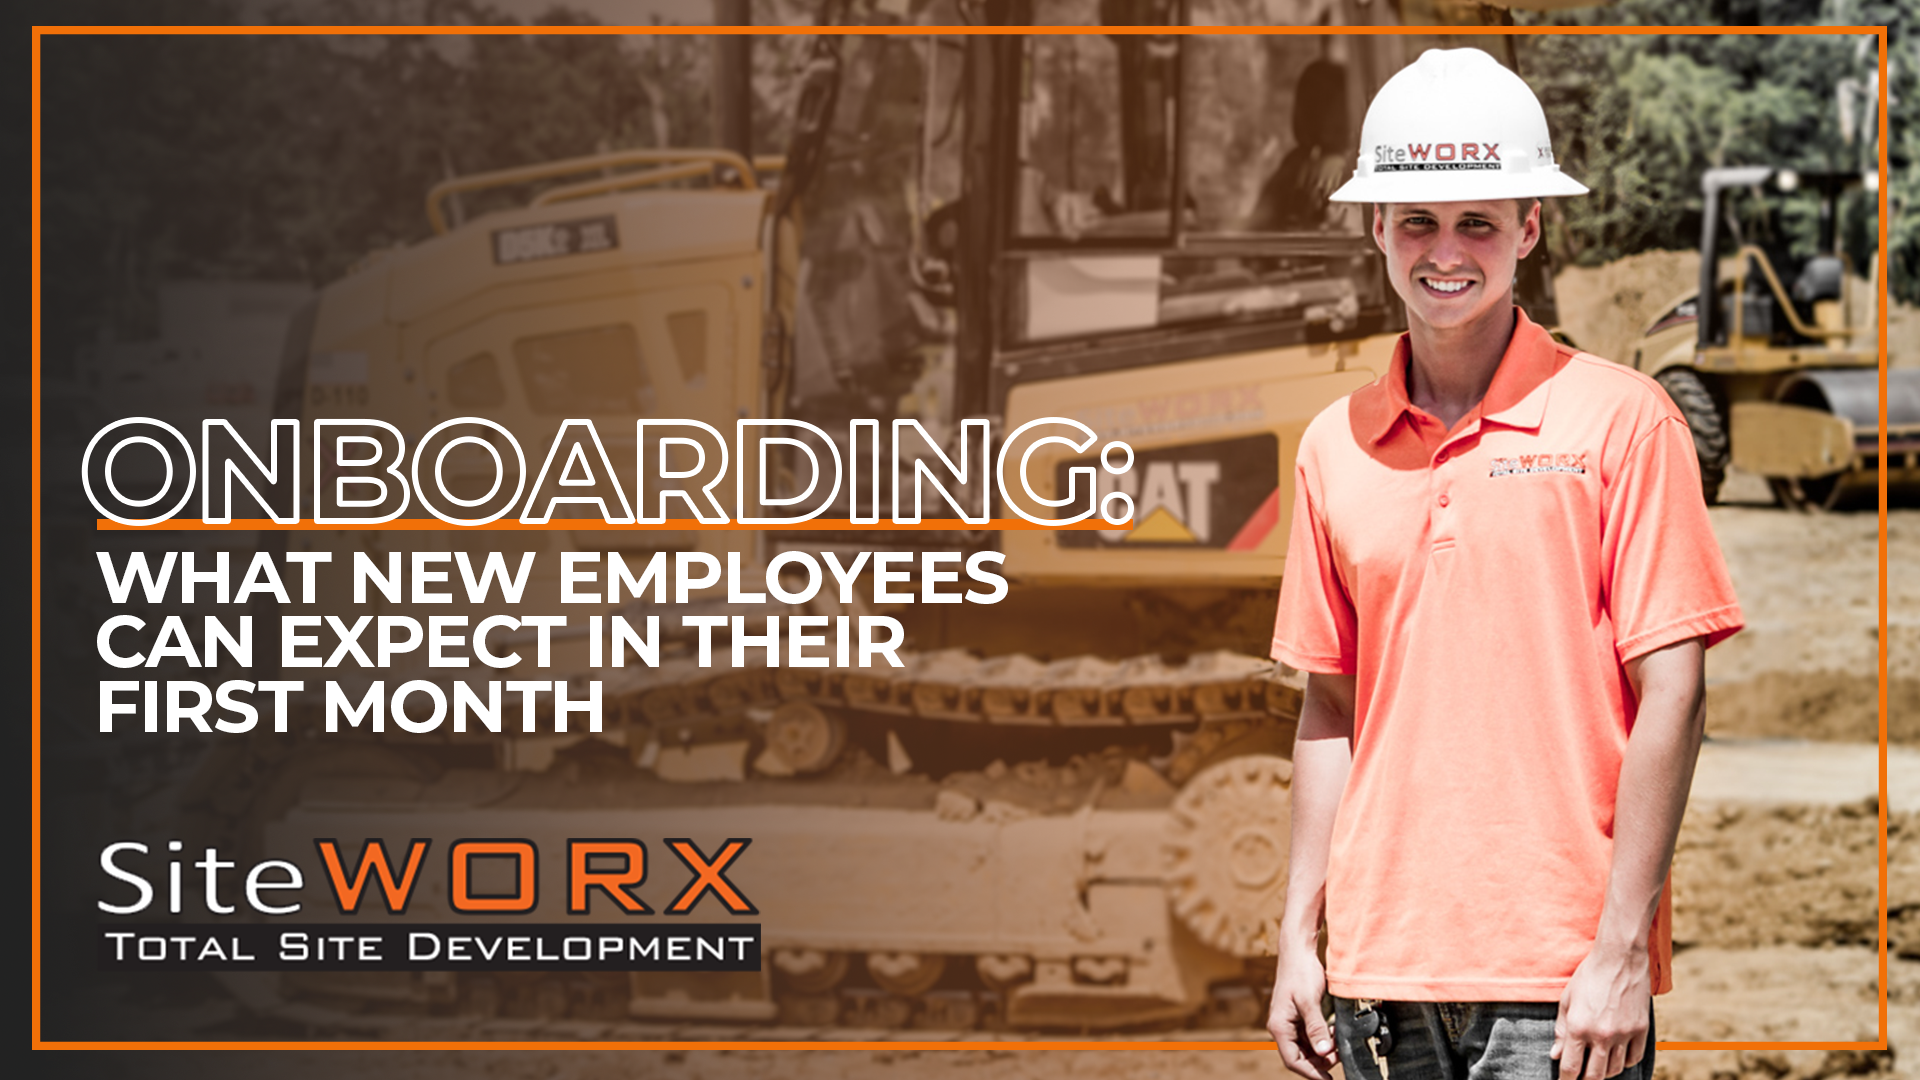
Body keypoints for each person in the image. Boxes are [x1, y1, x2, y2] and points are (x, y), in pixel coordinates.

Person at [1264, 48, 1743, 1080]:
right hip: (1380, 981)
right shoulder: (1332, 445)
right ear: (1376, 232)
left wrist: (1619, 948)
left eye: (1478, 222)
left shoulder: (1625, 423)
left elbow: (1676, 693)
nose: (1447, 251)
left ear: (1528, 229)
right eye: (1419, 222)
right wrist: (1299, 936)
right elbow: (1330, 710)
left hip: (1558, 979)